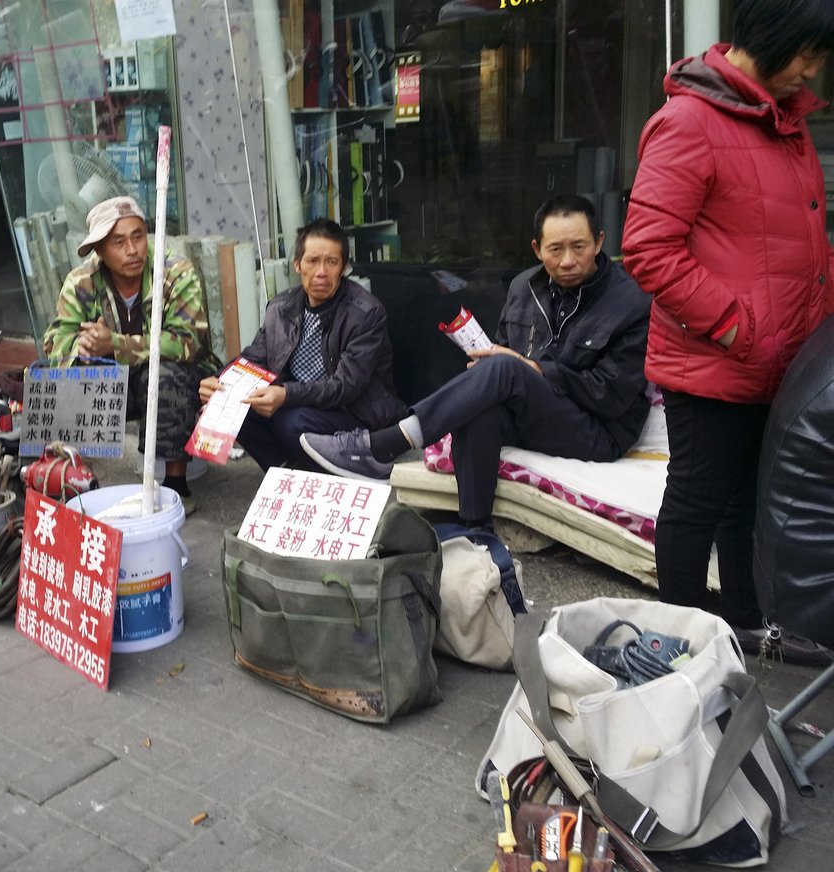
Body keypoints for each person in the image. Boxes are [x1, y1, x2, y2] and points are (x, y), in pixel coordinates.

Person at [622, 0, 834, 662]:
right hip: (718, 360)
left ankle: (746, 628)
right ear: (771, 37)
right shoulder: (688, 121)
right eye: (807, 53)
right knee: (697, 501)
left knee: (750, 504)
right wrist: (738, 327)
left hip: (779, 362)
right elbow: (648, 247)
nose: (813, 69)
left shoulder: (784, 124)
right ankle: (678, 644)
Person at [301, 195, 651, 533]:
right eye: (555, 250)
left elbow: (613, 396)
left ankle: (383, 445)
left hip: (597, 430)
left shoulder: (630, 302)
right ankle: (476, 527)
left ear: (600, 241)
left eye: (580, 247)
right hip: (535, 414)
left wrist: (534, 371)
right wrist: (487, 372)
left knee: (505, 369)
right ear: (537, 249)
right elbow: (503, 353)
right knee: (480, 405)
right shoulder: (522, 287)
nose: (568, 261)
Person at [43, 196, 220, 511]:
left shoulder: (174, 271)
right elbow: (55, 340)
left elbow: (186, 343)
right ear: (99, 251)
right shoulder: (82, 281)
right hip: (114, 380)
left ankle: (177, 482)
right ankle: (77, 478)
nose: (132, 249)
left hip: (178, 375)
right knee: (60, 378)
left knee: (165, 374)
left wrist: (115, 344)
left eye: (138, 236)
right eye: (119, 242)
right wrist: (81, 348)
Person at [198, 218, 406, 471]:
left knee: (291, 421)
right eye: (312, 261)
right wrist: (221, 382)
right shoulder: (281, 307)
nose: (321, 272)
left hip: (355, 412)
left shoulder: (366, 313)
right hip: (301, 404)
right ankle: (286, 469)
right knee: (234, 404)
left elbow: (345, 387)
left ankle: (338, 469)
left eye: (331, 262)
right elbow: (256, 356)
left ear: (344, 267)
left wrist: (285, 395)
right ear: (297, 264)